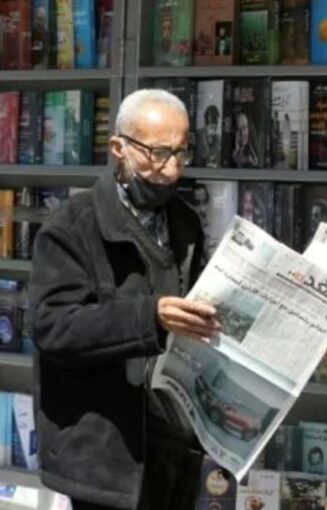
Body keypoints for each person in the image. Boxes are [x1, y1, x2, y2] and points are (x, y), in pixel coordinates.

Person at [30, 89, 222, 510]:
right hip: (107, 451)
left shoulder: (184, 221)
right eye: (158, 154)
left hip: (175, 440)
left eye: (181, 153)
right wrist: (149, 317)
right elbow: (52, 326)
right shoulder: (71, 227)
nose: (171, 169)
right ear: (119, 148)